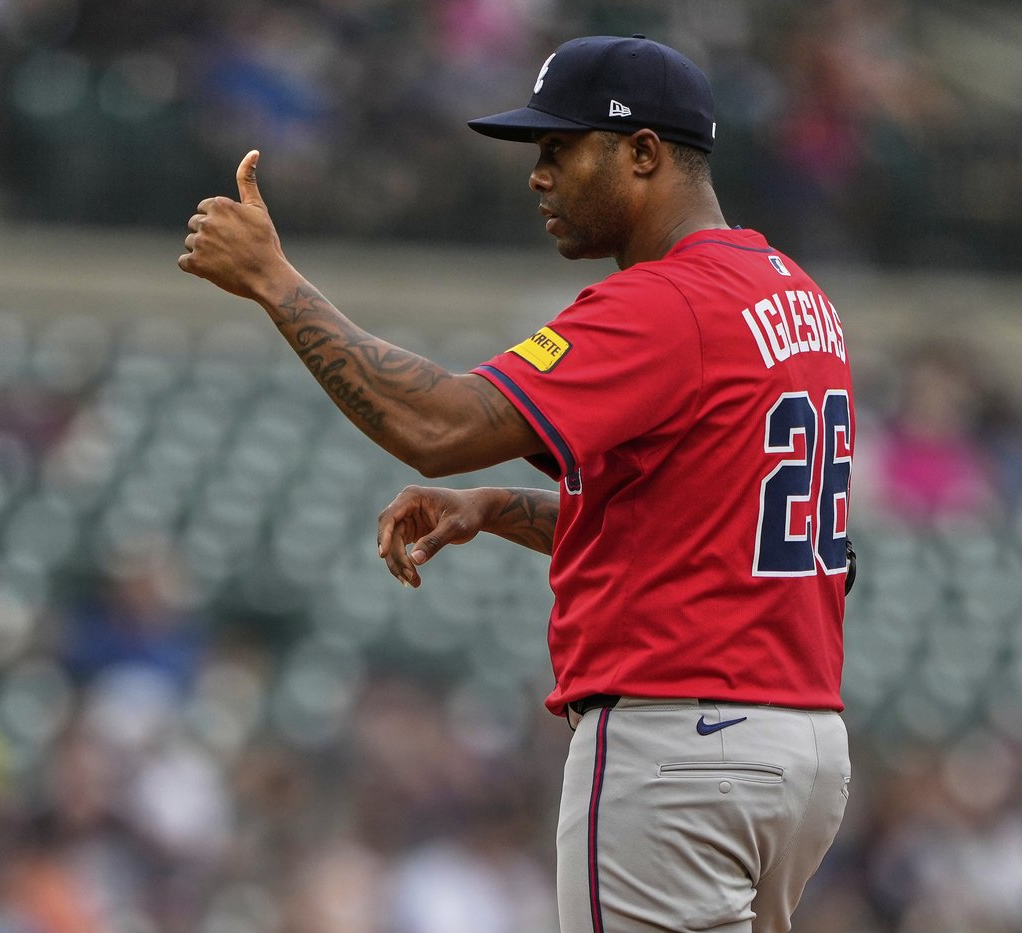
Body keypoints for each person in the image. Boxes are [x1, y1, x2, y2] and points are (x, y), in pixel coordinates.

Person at [179, 34, 853, 933]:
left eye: (559, 148)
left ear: (644, 152)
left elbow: (436, 425)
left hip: (680, 750)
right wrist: (495, 507)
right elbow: (724, 532)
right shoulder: (793, 293)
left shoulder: (663, 304)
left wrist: (272, 279)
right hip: (800, 752)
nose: (538, 175)